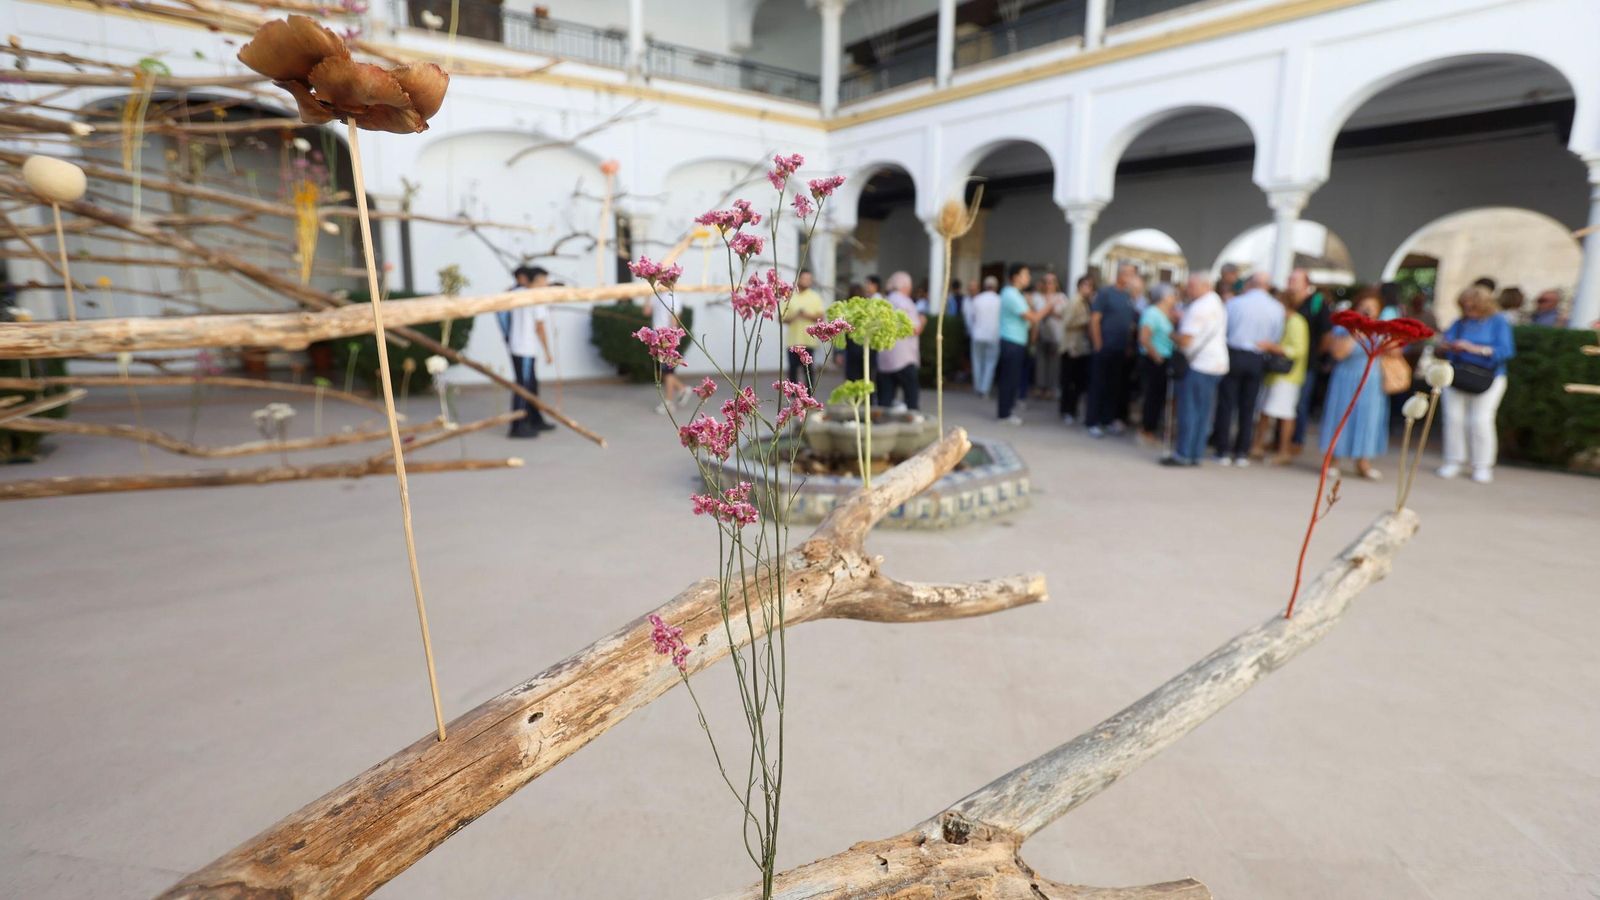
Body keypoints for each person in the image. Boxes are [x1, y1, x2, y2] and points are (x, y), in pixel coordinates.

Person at [1437, 285, 1517, 484]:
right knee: (1453, 417)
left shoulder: (1498, 322)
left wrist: (1475, 349)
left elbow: (1506, 351)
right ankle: (1453, 460)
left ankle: (1482, 465)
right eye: (1465, 306)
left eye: (1472, 306)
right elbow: (1445, 343)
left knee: (1480, 420)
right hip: (1459, 373)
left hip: (1489, 376)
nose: (1468, 310)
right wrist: (1448, 345)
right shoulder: (1460, 322)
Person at [1211, 271, 1284, 465]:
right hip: (1257, 358)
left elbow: (1225, 330)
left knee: (1227, 404)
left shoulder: (1235, 303)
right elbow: (1275, 336)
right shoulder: (1276, 308)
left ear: (1250, 284)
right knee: (1248, 406)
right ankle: (1242, 452)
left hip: (1235, 354)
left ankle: (1223, 450)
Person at [1320, 289, 1389, 480]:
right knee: (1341, 416)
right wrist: (1356, 330)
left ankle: (1363, 461)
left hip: (1371, 381)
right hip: (1346, 378)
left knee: (1369, 419)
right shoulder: (1344, 329)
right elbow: (1338, 353)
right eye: (1364, 307)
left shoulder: (1381, 330)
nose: (1368, 311)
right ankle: (1334, 459)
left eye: (1372, 308)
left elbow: (1394, 353)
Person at [1163, 272, 1227, 467]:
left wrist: (1171, 333)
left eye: (1191, 286)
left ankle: (1184, 453)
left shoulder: (1199, 307)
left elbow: (1186, 339)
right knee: (1202, 411)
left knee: (1188, 410)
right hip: (1216, 364)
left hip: (1198, 364)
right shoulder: (1215, 301)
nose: (1187, 290)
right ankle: (1195, 453)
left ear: (1204, 286)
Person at [1249, 289, 1309, 464]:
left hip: (1287, 377)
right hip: (1276, 375)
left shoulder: (1296, 322)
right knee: (1265, 412)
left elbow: (1298, 350)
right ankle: (1258, 445)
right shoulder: (1285, 321)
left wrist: (1273, 347)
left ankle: (1284, 450)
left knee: (1284, 414)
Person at [498, 265, 555, 438]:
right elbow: (540, 328)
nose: (545, 284)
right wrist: (547, 351)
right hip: (524, 349)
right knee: (523, 388)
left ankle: (534, 419)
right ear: (533, 281)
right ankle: (517, 426)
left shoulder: (518, 292)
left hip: (520, 348)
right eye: (542, 280)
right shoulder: (534, 297)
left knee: (530, 386)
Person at [1085, 263, 1139, 436]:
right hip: (1105, 346)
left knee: (1114, 386)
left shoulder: (1129, 296)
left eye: (1132, 274)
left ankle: (1107, 419)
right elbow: (1094, 320)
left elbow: (1130, 324)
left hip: (1120, 348)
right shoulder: (1106, 293)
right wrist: (1098, 344)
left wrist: (1129, 345)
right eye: (1127, 274)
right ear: (1120, 274)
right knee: (1098, 384)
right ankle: (1092, 421)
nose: (1130, 277)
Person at [996, 263, 1048, 424]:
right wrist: (1050, 305)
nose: (1028, 278)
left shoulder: (1017, 294)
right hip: (1011, 341)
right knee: (1009, 379)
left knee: (1013, 378)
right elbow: (1033, 318)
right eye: (1026, 274)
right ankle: (1004, 414)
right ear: (1016, 277)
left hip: (1017, 341)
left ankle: (1007, 411)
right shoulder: (1011, 294)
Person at [1287, 268, 1332, 452]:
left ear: (1306, 283)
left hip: (1307, 363)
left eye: (1294, 280)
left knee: (1301, 403)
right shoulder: (1288, 301)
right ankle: (1283, 440)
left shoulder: (1317, 303)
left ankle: (1296, 441)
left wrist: (1317, 356)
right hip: (1289, 362)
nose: (1290, 282)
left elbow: (1326, 336)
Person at [876, 271, 926, 410]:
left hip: (885, 356)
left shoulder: (884, 301)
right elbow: (914, 329)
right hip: (904, 357)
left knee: (885, 398)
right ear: (905, 286)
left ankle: (881, 426)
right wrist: (922, 321)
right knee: (911, 395)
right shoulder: (906, 302)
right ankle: (912, 422)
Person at [1136, 283, 1177, 445]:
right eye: (1172, 295)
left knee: (1159, 396)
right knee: (1152, 396)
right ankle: (1147, 429)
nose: (1174, 299)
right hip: (1154, 359)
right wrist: (1156, 356)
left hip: (1164, 358)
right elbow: (1144, 337)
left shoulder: (1165, 313)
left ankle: (1152, 427)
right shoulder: (1152, 313)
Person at [642, 280, 688, 414]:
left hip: (667, 340)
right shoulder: (657, 296)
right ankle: (683, 389)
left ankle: (668, 403)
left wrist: (671, 341)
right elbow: (646, 312)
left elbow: (674, 320)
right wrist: (647, 295)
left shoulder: (673, 297)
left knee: (667, 373)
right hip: (657, 339)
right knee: (664, 372)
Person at [1058, 274, 1095, 424]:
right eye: (1085, 285)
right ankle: (1067, 410)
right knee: (1069, 382)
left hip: (1081, 348)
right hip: (1071, 347)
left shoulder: (1086, 303)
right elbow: (1067, 323)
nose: (1088, 289)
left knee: (1078, 382)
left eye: (1090, 286)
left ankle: (1072, 409)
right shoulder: (1075, 302)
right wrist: (1087, 321)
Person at [782, 269, 825, 388]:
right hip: (793, 341)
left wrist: (805, 314)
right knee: (792, 369)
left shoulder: (815, 296)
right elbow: (782, 318)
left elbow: (821, 316)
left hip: (809, 341)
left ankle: (809, 396)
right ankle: (793, 396)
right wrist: (796, 315)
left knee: (808, 369)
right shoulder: (790, 296)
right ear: (798, 279)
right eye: (804, 279)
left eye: (809, 279)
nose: (807, 281)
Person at [1032, 272, 1067, 401]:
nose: (1048, 284)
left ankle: (1051, 388)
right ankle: (1040, 386)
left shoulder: (1061, 297)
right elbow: (1034, 313)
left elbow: (1064, 315)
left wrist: (1048, 310)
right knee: (1040, 361)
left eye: (1051, 281)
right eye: (1046, 281)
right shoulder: (1037, 296)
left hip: (1056, 334)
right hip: (1041, 332)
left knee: (1054, 363)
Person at [966, 275, 1002, 397]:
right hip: (993, 336)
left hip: (978, 335)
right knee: (990, 363)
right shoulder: (999, 300)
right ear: (996, 287)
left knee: (977, 361)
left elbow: (971, 318)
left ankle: (978, 387)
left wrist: (972, 331)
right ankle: (985, 389)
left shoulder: (977, 299)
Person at [844, 274, 881, 381]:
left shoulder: (875, 300)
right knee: (867, 377)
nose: (866, 286)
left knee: (856, 378)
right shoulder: (868, 304)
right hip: (865, 347)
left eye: (868, 284)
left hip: (856, 348)